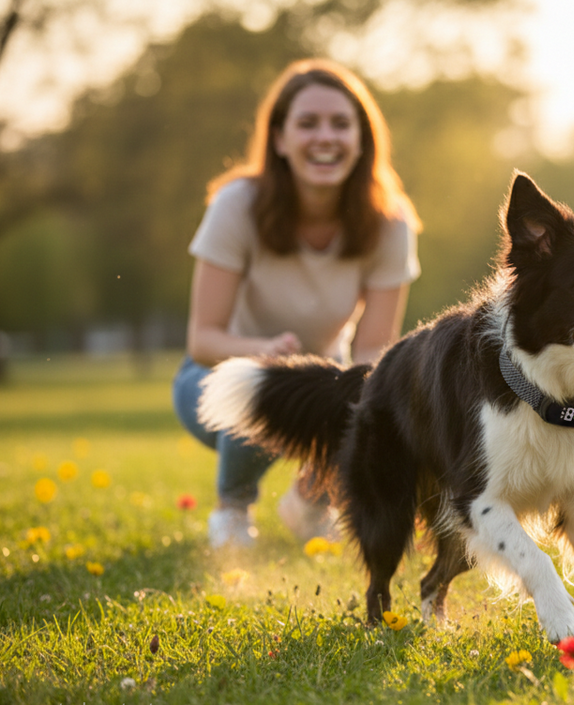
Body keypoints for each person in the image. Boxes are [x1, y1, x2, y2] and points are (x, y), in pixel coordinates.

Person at [172, 59, 421, 549]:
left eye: (340, 124)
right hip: (212, 379)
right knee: (261, 384)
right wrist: (264, 352)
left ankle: (309, 501)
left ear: (362, 140)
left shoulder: (391, 223)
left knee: (380, 398)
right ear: (280, 139)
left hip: (325, 377)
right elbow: (202, 340)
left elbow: (373, 351)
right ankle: (232, 510)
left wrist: (372, 419)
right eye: (307, 123)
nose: (324, 136)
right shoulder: (236, 205)